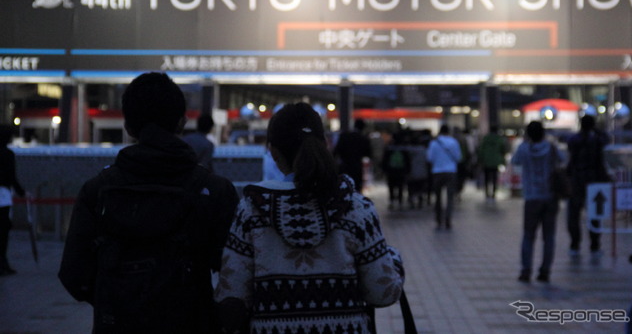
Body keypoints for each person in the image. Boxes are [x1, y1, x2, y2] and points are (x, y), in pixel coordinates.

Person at [58, 72, 239, 333]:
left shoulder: (97, 190)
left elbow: (73, 274)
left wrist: (121, 299)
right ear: (181, 122)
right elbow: (233, 272)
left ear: (128, 127)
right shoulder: (214, 190)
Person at [214, 102, 404, 334]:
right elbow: (382, 293)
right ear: (324, 145)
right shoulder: (357, 208)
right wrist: (394, 259)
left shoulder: (251, 210)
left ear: (273, 151)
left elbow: (231, 293)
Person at [511, 121, 561, 283]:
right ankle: (545, 271)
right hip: (550, 196)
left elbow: (515, 161)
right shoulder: (551, 147)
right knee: (549, 237)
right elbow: (563, 159)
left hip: (531, 198)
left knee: (528, 235)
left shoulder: (524, 148)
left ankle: (526, 270)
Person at [566, 114, 610, 258]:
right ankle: (595, 245)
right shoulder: (596, 140)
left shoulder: (574, 139)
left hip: (577, 179)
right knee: (594, 214)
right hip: (593, 179)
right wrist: (596, 130)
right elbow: (606, 139)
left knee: (574, 214)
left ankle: (574, 244)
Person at [0, 125, 25, 276]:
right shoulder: (8, 154)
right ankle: (2, 262)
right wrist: (21, 192)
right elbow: (11, 177)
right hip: (3, 195)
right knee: (3, 231)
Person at [427, 125, 461, 230]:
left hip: (437, 171)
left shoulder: (434, 143)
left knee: (437, 197)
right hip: (451, 171)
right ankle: (448, 218)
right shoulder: (454, 142)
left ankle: (438, 219)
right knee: (450, 197)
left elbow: (429, 158)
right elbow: (459, 157)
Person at [333, 118, 372, 192]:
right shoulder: (363, 139)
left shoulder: (344, 136)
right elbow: (368, 154)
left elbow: (336, 151)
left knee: (344, 188)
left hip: (344, 166)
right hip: (357, 167)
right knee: (356, 189)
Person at [477, 125, 509, 203]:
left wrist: (480, 160)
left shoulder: (486, 138)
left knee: (487, 178)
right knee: (494, 178)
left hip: (486, 161)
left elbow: (481, 150)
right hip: (495, 161)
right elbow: (503, 150)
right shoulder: (499, 139)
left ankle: (487, 194)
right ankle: (493, 194)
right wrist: (502, 160)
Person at [381, 133, 411, 210]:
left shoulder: (389, 147)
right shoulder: (403, 148)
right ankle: (400, 202)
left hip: (391, 171)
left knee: (391, 186)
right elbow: (407, 160)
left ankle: (391, 201)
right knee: (400, 186)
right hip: (401, 171)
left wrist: (384, 169)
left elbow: (385, 159)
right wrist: (408, 170)